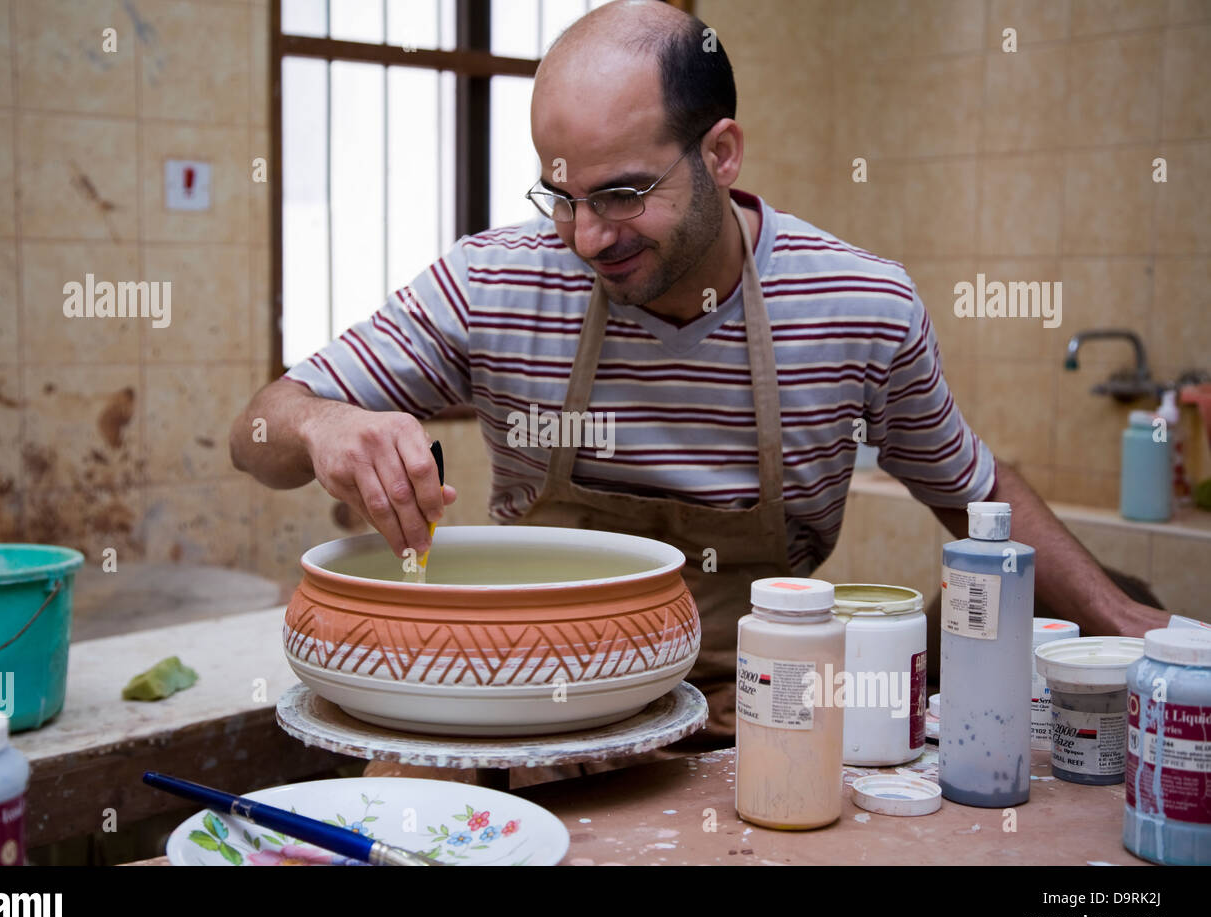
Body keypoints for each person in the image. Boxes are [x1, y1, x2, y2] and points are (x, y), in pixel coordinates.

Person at [231, 0, 1171, 780]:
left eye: (623, 194)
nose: (586, 237)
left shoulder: (857, 306)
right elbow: (257, 433)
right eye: (560, 196)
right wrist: (321, 425)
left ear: (721, 153)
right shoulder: (495, 283)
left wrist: (1128, 622)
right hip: (511, 721)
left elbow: (978, 498)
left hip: (751, 732)